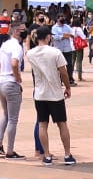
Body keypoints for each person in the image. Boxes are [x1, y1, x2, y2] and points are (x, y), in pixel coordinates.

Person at [27, 25, 75, 165]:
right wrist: (67, 87)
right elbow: (63, 72)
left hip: (39, 94)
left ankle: (46, 156)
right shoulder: (55, 52)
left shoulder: (30, 54)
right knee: (62, 124)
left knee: (42, 124)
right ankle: (67, 155)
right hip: (55, 94)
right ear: (48, 37)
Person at [0, 26, 25, 158]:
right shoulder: (17, 46)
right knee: (13, 119)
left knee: (6, 114)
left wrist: (4, 74)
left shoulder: (5, 45)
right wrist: (17, 77)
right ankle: (10, 151)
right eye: (22, 30)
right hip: (11, 83)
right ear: (16, 32)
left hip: (1, 82)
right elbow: (14, 63)